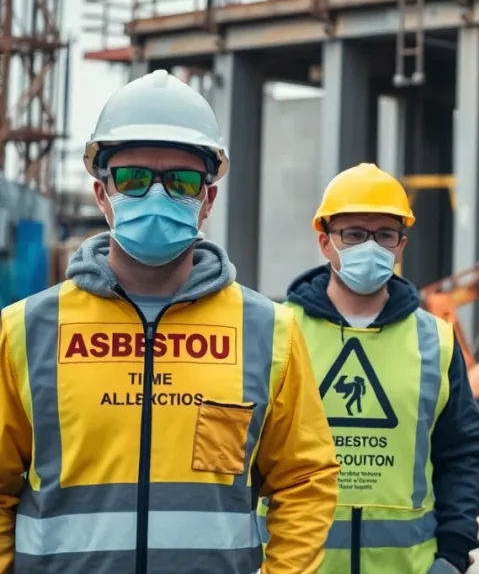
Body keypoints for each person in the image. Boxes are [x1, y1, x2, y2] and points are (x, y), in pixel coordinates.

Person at [0, 70, 340, 574]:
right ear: (101, 194)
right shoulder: (26, 330)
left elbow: (305, 480)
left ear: (207, 199)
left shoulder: (269, 332)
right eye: (133, 178)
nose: (155, 196)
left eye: (180, 181)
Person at [260, 162, 479, 573]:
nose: (371, 246)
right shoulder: (279, 330)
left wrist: (453, 557)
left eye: (385, 234)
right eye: (353, 234)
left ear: (401, 245)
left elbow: (461, 453)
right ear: (325, 243)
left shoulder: (434, 340)